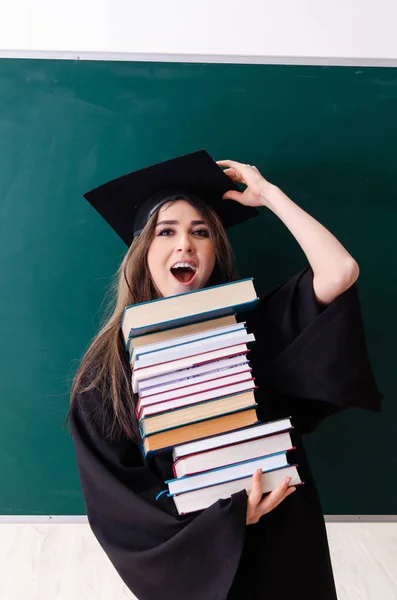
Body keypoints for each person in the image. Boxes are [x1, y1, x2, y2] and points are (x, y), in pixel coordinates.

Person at [67, 150, 382, 600]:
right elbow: (118, 506)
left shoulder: (250, 330)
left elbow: (340, 271)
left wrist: (270, 196)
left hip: (285, 534)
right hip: (201, 559)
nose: (185, 245)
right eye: (166, 232)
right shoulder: (107, 375)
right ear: (142, 250)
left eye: (201, 232)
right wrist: (229, 518)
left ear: (216, 249)